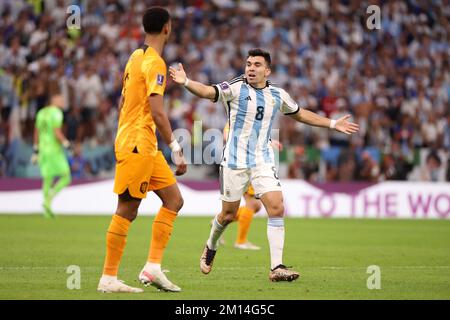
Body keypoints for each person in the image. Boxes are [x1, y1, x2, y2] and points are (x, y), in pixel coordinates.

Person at [169, 48, 359, 282]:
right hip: (234, 161)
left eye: (257, 64)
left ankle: (276, 267)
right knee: (228, 214)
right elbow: (209, 92)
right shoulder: (235, 87)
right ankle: (211, 244)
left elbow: (300, 114)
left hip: (262, 160)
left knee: (276, 207)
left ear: (267, 71)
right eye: (248, 63)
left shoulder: (278, 95)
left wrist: (331, 124)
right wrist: (186, 81)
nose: (250, 68)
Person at [97, 7, 187, 294]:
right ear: (167, 28)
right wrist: (175, 146)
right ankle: (108, 278)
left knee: (174, 200)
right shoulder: (155, 63)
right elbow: (158, 111)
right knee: (128, 208)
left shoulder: (135, 56)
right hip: (137, 143)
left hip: (144, 144)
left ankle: (153, 267)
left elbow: (126, 101)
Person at [32, 94, 72, 219]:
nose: (63, 101)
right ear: (53, 101)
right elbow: (57, 132)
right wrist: (66, 143)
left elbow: (36, 132)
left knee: (47, 179)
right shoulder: (56, 113)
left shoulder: (41, 112)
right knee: (66, 176)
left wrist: (36, 150)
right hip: (54, 150)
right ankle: (48, 200)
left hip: (43, 150)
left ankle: (46, 211)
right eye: (60, 99)